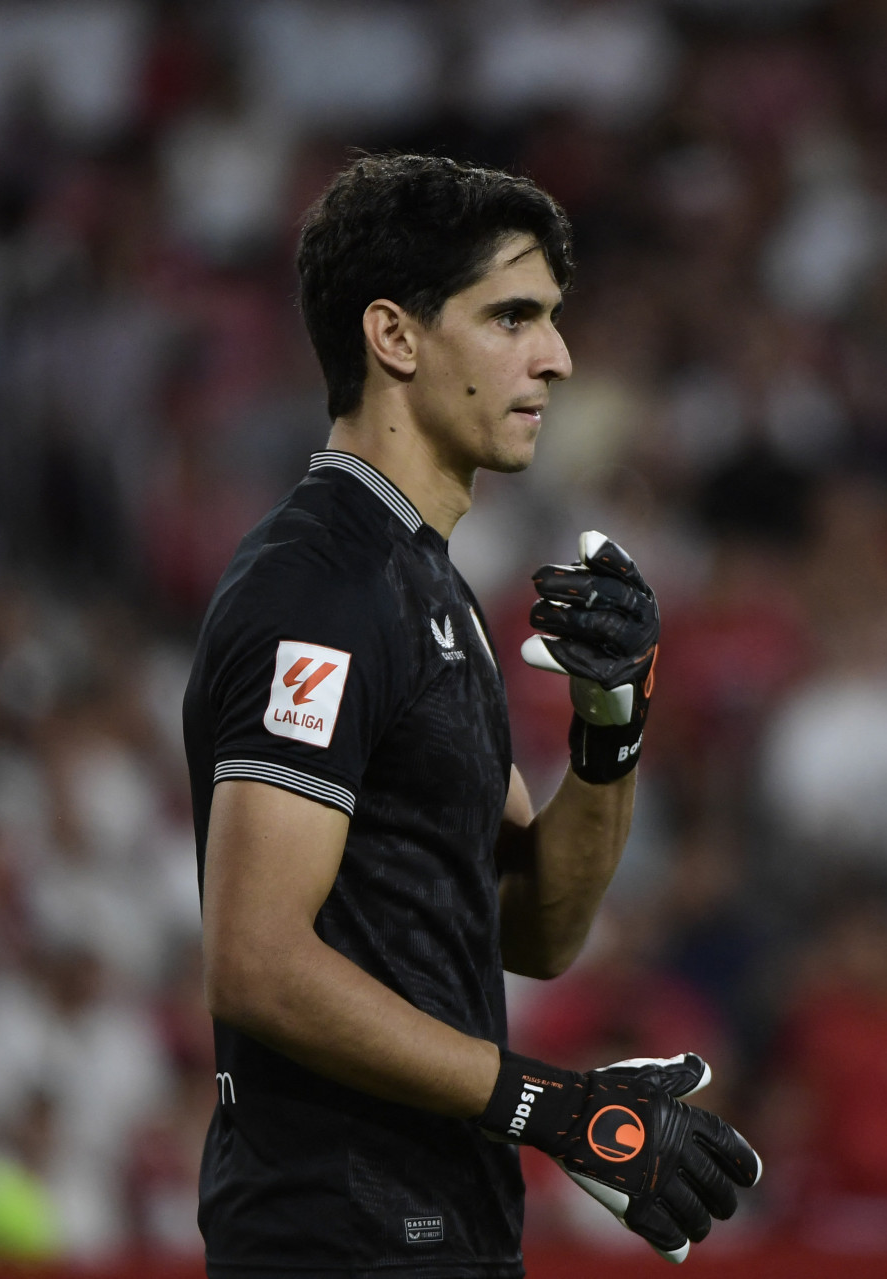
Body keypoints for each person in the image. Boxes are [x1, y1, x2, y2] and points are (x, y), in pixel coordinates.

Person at [182, 155, 760, 1278]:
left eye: (549, 319)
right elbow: (253, 956)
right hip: (334, 1234)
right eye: (511, 317)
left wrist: (610, 726)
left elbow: (539, 929)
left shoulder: (429, 587)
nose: (557, 355)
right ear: (395, 337)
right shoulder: (321, 590)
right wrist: (551, 1105)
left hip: (437, 1224)